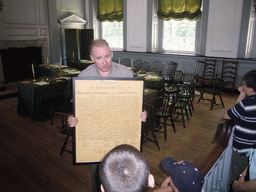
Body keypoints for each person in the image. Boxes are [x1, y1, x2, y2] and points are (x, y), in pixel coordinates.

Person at [68, 39, 147, 127]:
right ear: (92, 58)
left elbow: (135, 102)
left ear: (111, 54)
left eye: (107, 56)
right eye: (99, 58)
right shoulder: (83, 76)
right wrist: (72, 117)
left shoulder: (126, 73)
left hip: (120, 126)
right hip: (95, 127)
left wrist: (142, 112)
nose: (104, 62)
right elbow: (78, 106)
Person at [222, 70, 256, 185]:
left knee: (237, 178)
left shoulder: (246, 104)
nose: (242, 85)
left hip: (242, 150)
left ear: (250, 89)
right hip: (253, 148)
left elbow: (227, 115)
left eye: (244, 84)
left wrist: (241, 94)